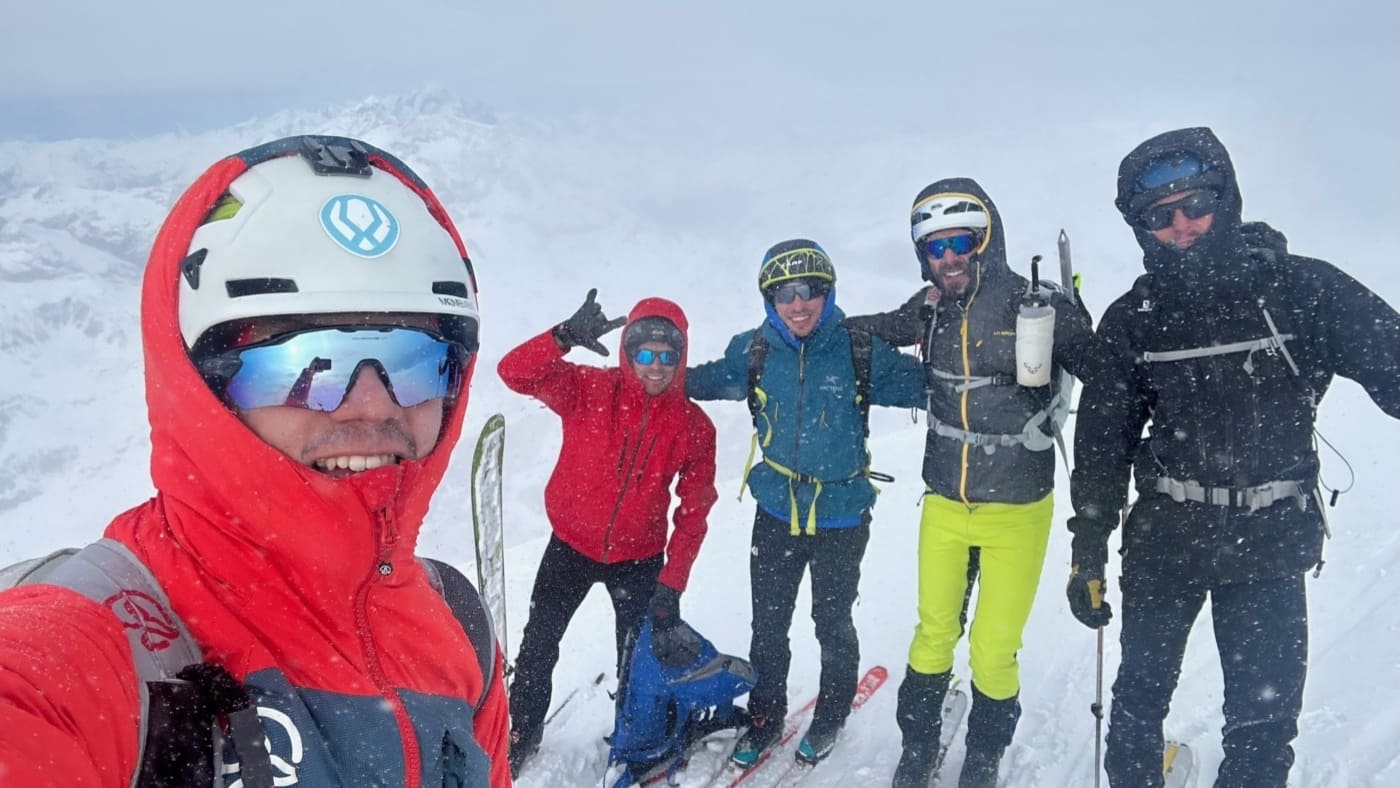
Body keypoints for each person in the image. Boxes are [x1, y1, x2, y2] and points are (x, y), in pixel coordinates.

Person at [0, 135, 511, 785]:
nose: (371, 408)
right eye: (303, 365)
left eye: (416, 362)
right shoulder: (94, 651)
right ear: (204, 387)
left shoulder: (459, 628)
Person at [1066, 126, 1400, 787]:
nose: (1182, 226)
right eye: (1159, 217)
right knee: (1136, 708)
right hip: (1168, 538)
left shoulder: (1299, 289)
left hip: (1269, 542)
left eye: (1197, 204)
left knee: (1261, 731)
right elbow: (1104, 439)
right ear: (1140, 226)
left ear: (1228, 195)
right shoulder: (1135, 316)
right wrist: (1088, 544)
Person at [847, 179, 1102, 787]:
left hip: (1019, 506)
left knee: (993, 646)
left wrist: (1081, 330)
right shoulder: (929, 306)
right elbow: (869, 328)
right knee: (933, 632)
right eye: (935, 249)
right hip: (945, 501)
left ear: (986, 241)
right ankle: (918, 746)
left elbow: (1108, 381)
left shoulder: (1036, 304)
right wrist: (811, 333)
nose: (949, 258)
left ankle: (985, 754)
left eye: (961, 241)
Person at [686, 239, 924, 768]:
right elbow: (694, 381)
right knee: (768, 624)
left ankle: (833, 711)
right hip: (775, 509)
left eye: (809, 291)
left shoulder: (859, 349)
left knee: (832, 621)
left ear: (828, 291)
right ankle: (767, 717)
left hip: (842, 512)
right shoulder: (754, 351)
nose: (798, 304)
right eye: (785, 293)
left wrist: (1005, 366)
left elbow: (934, 387)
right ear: (769, 299)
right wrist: (643, 372)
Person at [498, 292, 718, 776]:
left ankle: (638, 736)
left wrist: (672, 582)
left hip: (639, 559)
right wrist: (561, 338)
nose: (655, 366)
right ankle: (522, 728)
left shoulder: (693, 426)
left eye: (667, 355)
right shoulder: (588, 389)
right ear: (626, 351)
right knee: (538, 645)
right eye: (644, 353)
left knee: (637, 661)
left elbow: (695, 511)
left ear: (681, 357)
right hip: (570, 546)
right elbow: (513, 373)